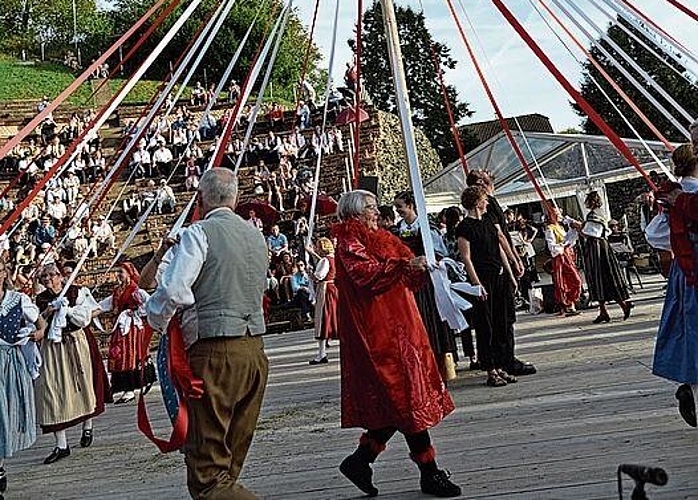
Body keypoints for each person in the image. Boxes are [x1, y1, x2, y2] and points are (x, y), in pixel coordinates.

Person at [146, 168, 269, 499]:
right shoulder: (257, 237)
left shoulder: (198, 233)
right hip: (254, 353)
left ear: (200, 199)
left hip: (214, 355)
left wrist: (155, 319)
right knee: (227, 466)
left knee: (208, 477)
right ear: (235, 198)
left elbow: (172, 290)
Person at [332, 189, 461, 498]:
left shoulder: (382, 238)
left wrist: (424, 267)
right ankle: (429, 473)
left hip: (400, 325)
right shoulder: (349, 241)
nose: (377, 212)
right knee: (404, 397)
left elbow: (404, 270)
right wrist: (404, 266)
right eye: (370, 208)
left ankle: (361, 460)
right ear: (354, 212)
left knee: (398, 402)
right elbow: (367, 275)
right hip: (378, 333)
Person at [35, 263, 111, 464]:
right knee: (51, 390)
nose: (48, 279)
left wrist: (74, 312)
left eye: (52, 275)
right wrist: (48, 313)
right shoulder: (41, 300)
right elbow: (37, 322)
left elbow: (95, 310)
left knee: (84, 385)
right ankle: (61, 445)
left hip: (77, 341)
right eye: (44, 276)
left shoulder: (77, 291)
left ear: (60, 276)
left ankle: (88, 426)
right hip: (53, 347)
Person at [465, 170, 535, 376]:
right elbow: (500, 238)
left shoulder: (491, 203)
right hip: (491, 269)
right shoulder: (483, 213)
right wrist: (514, 259)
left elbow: (501, 236)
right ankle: (504, 359)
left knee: (505, 316)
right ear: (480, 183)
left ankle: (503, 358)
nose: (488, 172)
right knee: (500, 318)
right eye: (483, 173)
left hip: (499, 266)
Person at [652, 143, 698, 428]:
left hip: (686, 270)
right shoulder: (684, 194)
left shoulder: (678, 194)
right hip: (691, 270)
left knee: (690, 336)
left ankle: (689, 389)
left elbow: (654, 234)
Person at [393, 191, 457, 380]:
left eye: (400, 206)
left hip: (428, 281)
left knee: (433, 320)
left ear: (411, 205)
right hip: (410, 282)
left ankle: (441, 366)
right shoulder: (398, 229)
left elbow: (441, 252)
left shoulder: (428, 227)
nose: (398, 210)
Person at [457, 186, 518, 387]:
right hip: (483, 280)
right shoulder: (465, 227)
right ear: (477, 202)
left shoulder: (490, 222)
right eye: (484, 199)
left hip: (499, 277)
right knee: (486, 325)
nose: (488, 202)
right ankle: (490, 368)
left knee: (501, 321)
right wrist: (476, 283)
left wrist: (510, 272)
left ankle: (500, 365)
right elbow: (466, 257)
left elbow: (499, 247)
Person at [0, 259, 46, 493]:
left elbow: (41, 322)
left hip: (9, 362)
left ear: (4, 273)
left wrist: (38, 333)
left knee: (4, 411)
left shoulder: (17, 300)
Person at [97, 262, 156, 404]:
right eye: (118, 272)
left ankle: (130, 388)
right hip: (122, 327)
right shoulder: (117, 291)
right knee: (118, 354)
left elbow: (147, 304)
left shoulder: (135, 290)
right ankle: (124, 387)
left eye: (121, 272)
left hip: (132, 329)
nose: (119, 275)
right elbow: (105, 305)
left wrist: (134, 312)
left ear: (129, 273)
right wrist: (90, 310)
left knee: (129, 355)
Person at [575, 191, 632, 323]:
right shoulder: (601, 214)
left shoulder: (593, 215)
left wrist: (577, 227)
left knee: (599, 276)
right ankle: (604, 311)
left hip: (596, 248)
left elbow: (590, 233)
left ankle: (620, 306)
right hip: (601, 246)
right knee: (604, 277)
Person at [544, 206, 582, 316]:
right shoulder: (549, 228)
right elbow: (552, 246)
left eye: (558, 213)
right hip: (559, 256)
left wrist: (572, 232)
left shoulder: (560, 227)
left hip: (567, 256)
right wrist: (563, 245)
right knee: (561, 281)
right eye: (555, 213)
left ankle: (570, 301)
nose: (557, 215)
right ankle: (566, 305)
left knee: (576, 279)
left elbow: (568, 239)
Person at [306, 238, 339, 365]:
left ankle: (321, 354)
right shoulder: (333, 258)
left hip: (325, 290)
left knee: (322, 321)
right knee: (332, 318)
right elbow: (323, 262)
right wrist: (311, 253)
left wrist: (309, 272)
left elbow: (318, 276)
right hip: (332, 289)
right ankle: (322, 353)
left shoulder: (326, 260)